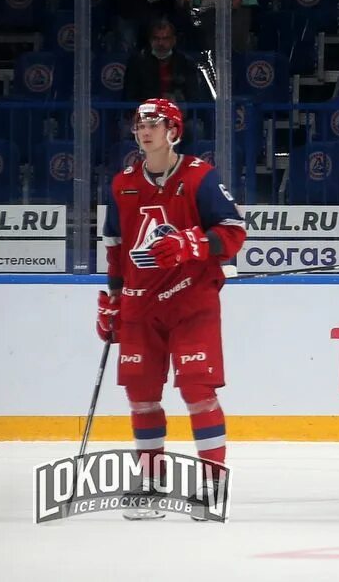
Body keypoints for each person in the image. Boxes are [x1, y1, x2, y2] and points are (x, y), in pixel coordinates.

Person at [97, 99, 247, 518]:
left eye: (154, 122)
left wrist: (190, 242)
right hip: (140, 306)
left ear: (174, 130)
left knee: (197, 390)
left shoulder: (200, 177)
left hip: (191, 300)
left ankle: (213, 483)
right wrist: (111, 299)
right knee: (140, 395)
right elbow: (115, 250)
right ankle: (150, 481)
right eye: (139, 123)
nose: (144, 130)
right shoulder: (122, 184)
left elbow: (234, 232)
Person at [124, 18, 200, 103]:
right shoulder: (137, 62)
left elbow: (194, 96)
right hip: (146, 113)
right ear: (150, 40)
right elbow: (130, 96)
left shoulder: (186, 63)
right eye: (156, 38)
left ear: (173, 40)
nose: (160, 43)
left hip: (178, 113)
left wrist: (177, 100)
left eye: (165, 38)